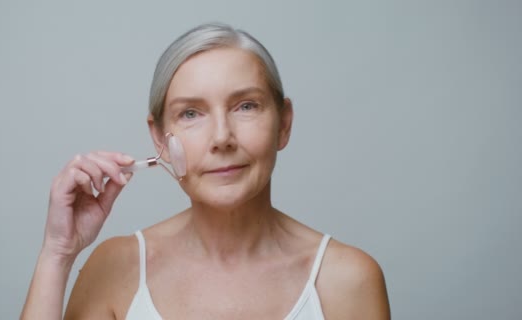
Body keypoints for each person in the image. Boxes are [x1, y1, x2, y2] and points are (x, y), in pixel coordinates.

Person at [20, 22, 390, 320]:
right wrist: (57, 254)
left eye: (246, 106)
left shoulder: (347, 279)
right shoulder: (116, 268)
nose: (221, 137)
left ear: (284, 124)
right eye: (191, 114)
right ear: (159, 139)